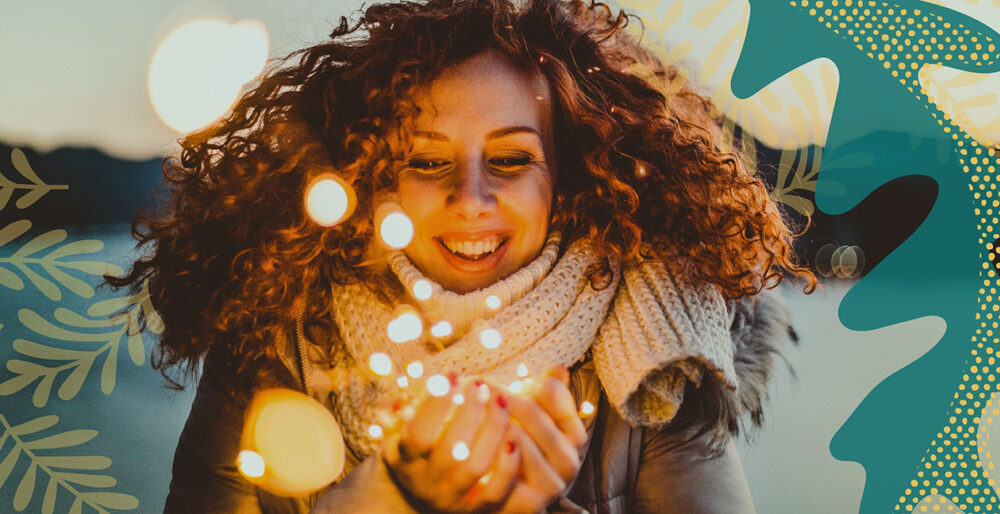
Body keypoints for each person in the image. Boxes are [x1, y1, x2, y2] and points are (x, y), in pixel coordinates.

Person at [112, 0, 816, 511]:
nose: (470, 198)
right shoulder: (274, 329)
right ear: (375, 173)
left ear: (565, 178)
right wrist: (390, 495)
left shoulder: (661, 347)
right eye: (426, 160)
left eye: (510, 159)